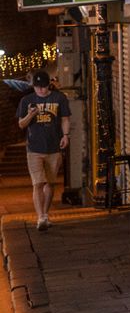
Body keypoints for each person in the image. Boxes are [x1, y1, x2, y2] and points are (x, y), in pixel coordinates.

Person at [16, 70, 70, 231]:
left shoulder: (59, 98)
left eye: (43, 87)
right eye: (37, 87)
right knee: (38, 183)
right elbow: (21, 124)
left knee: (50, 183)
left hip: (54, 147)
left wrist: (65, 135)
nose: (40, 90)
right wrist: (30, 115)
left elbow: (65, 118)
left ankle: (45, 214)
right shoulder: (26, 100)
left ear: (49, 85)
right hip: (34, 148)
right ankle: (40, 217)